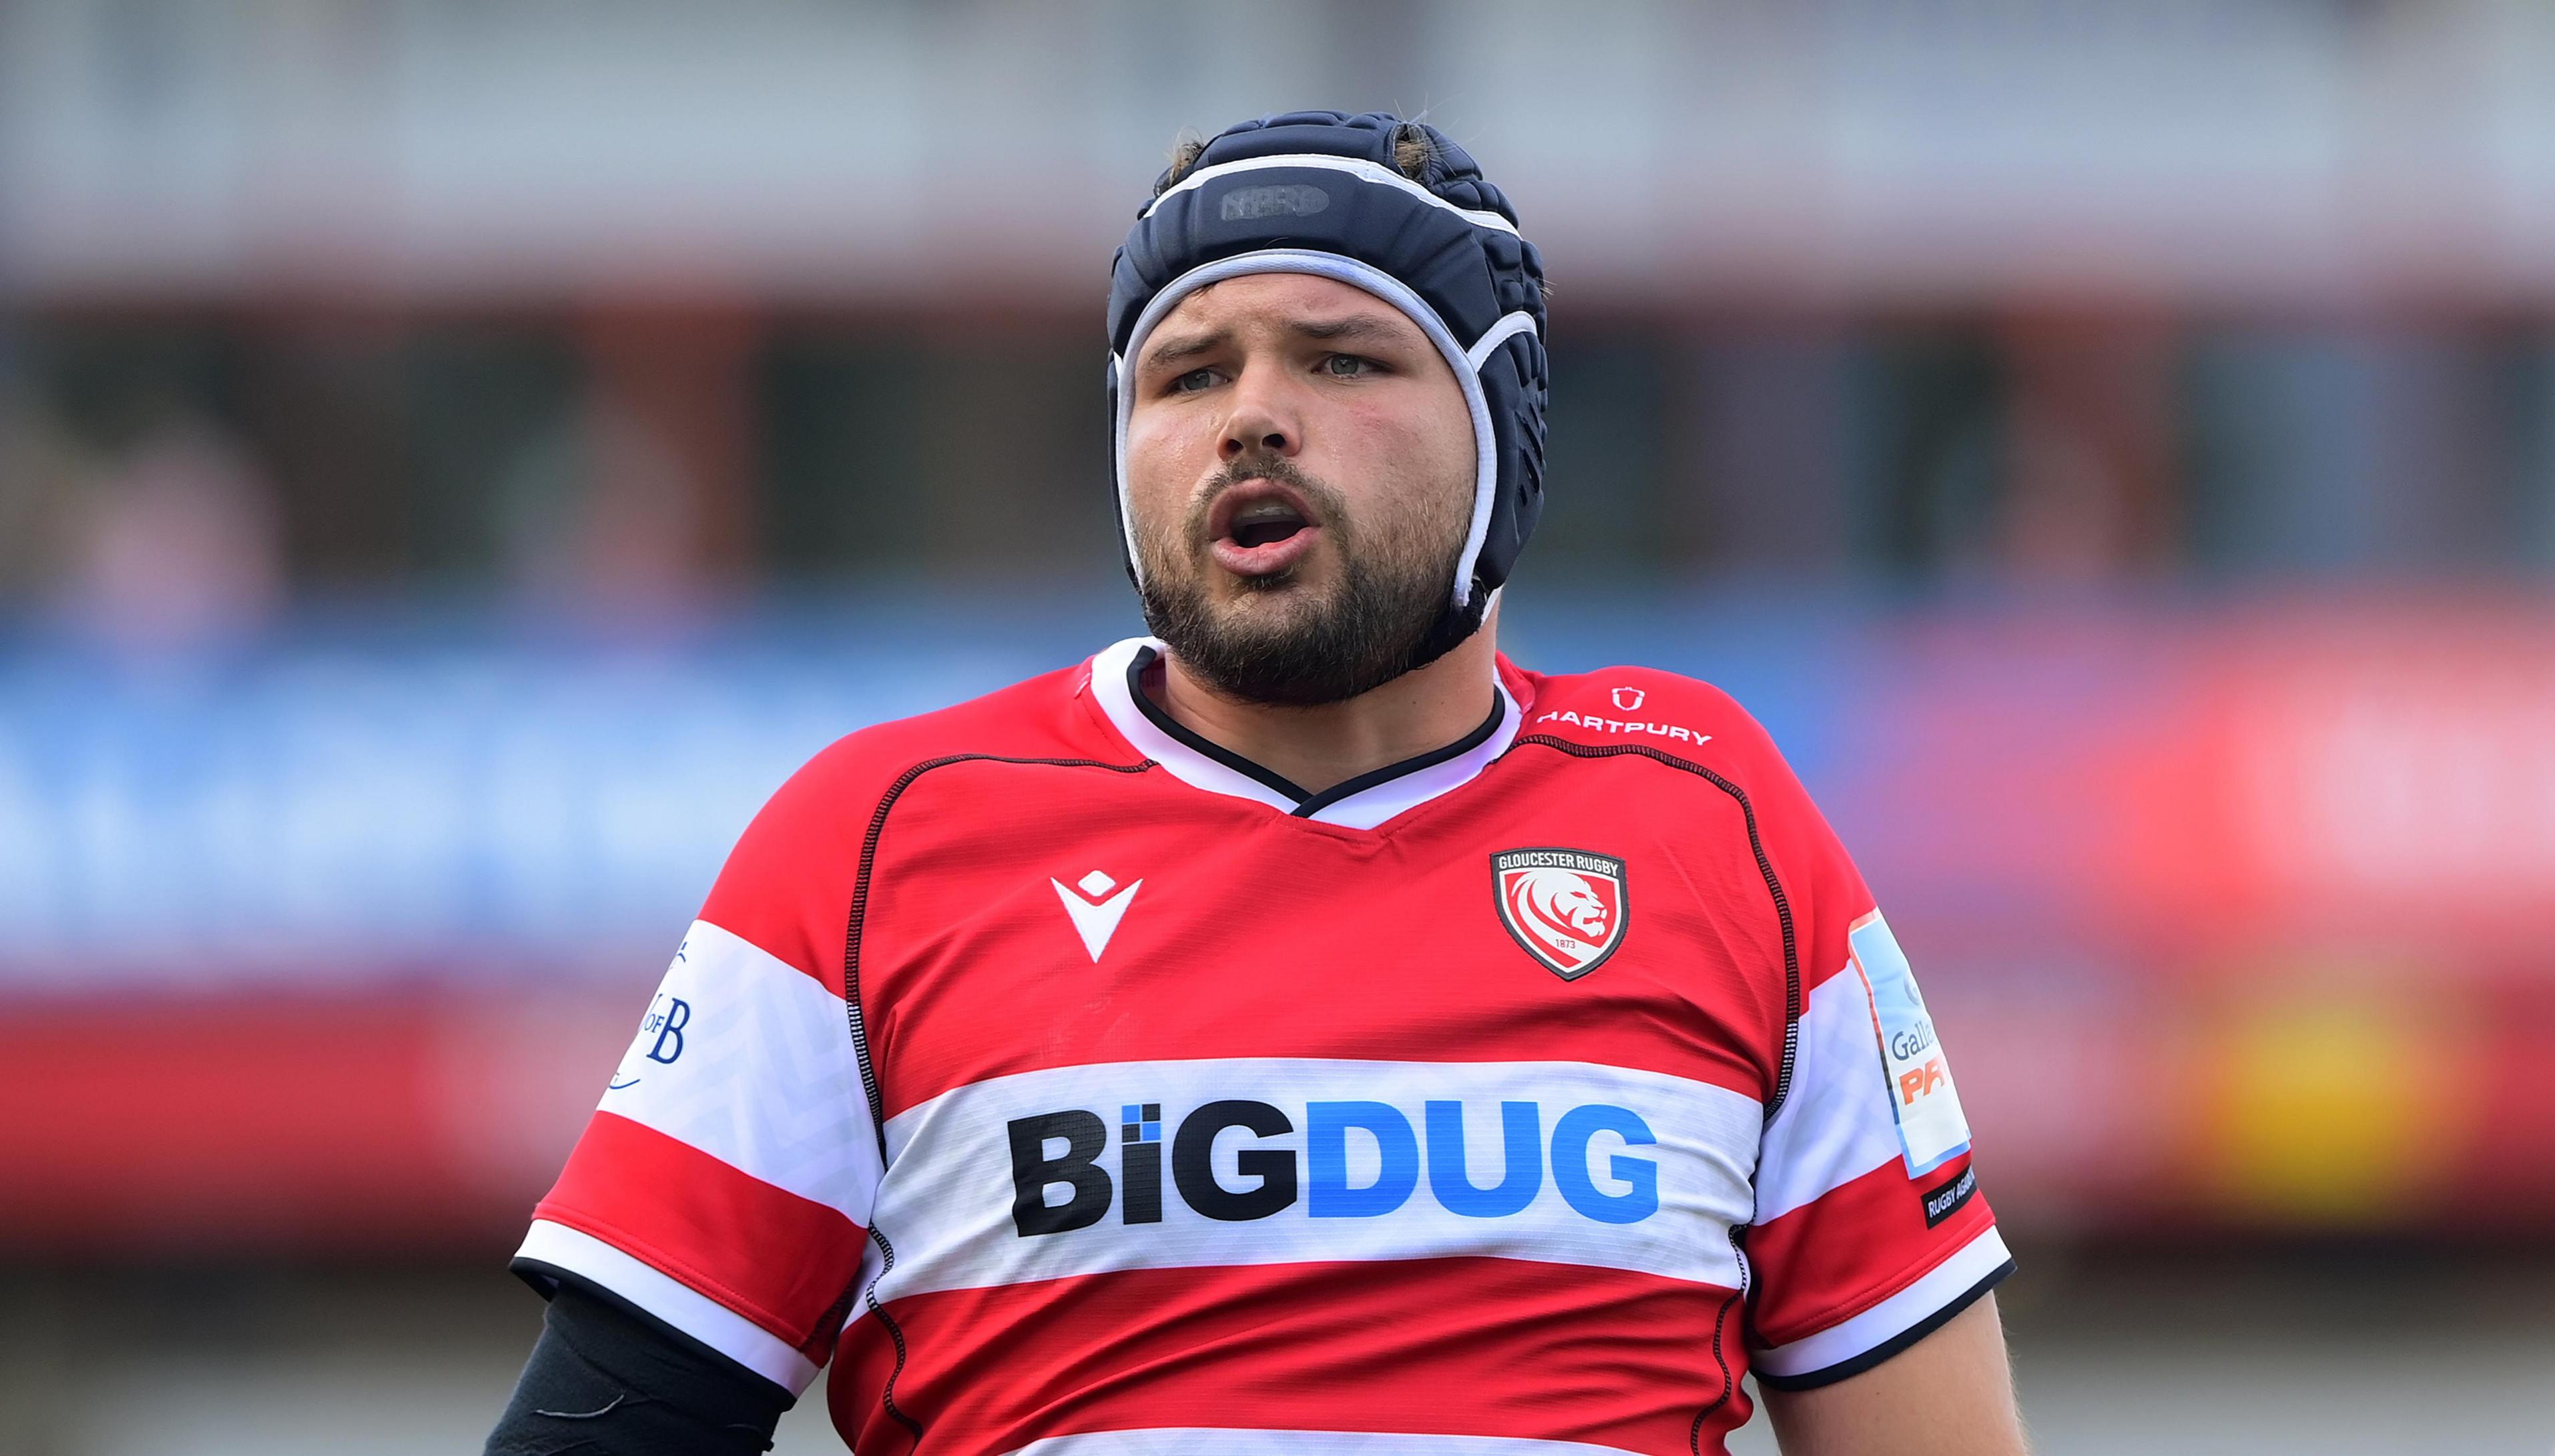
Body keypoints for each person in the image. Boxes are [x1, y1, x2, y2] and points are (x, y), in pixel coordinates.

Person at [486, 110, 2027, 1456]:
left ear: (1508, 434)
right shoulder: (874, 837)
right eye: (1185, 374)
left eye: (1344, 357)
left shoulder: (1720, 821)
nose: (1250, 415)